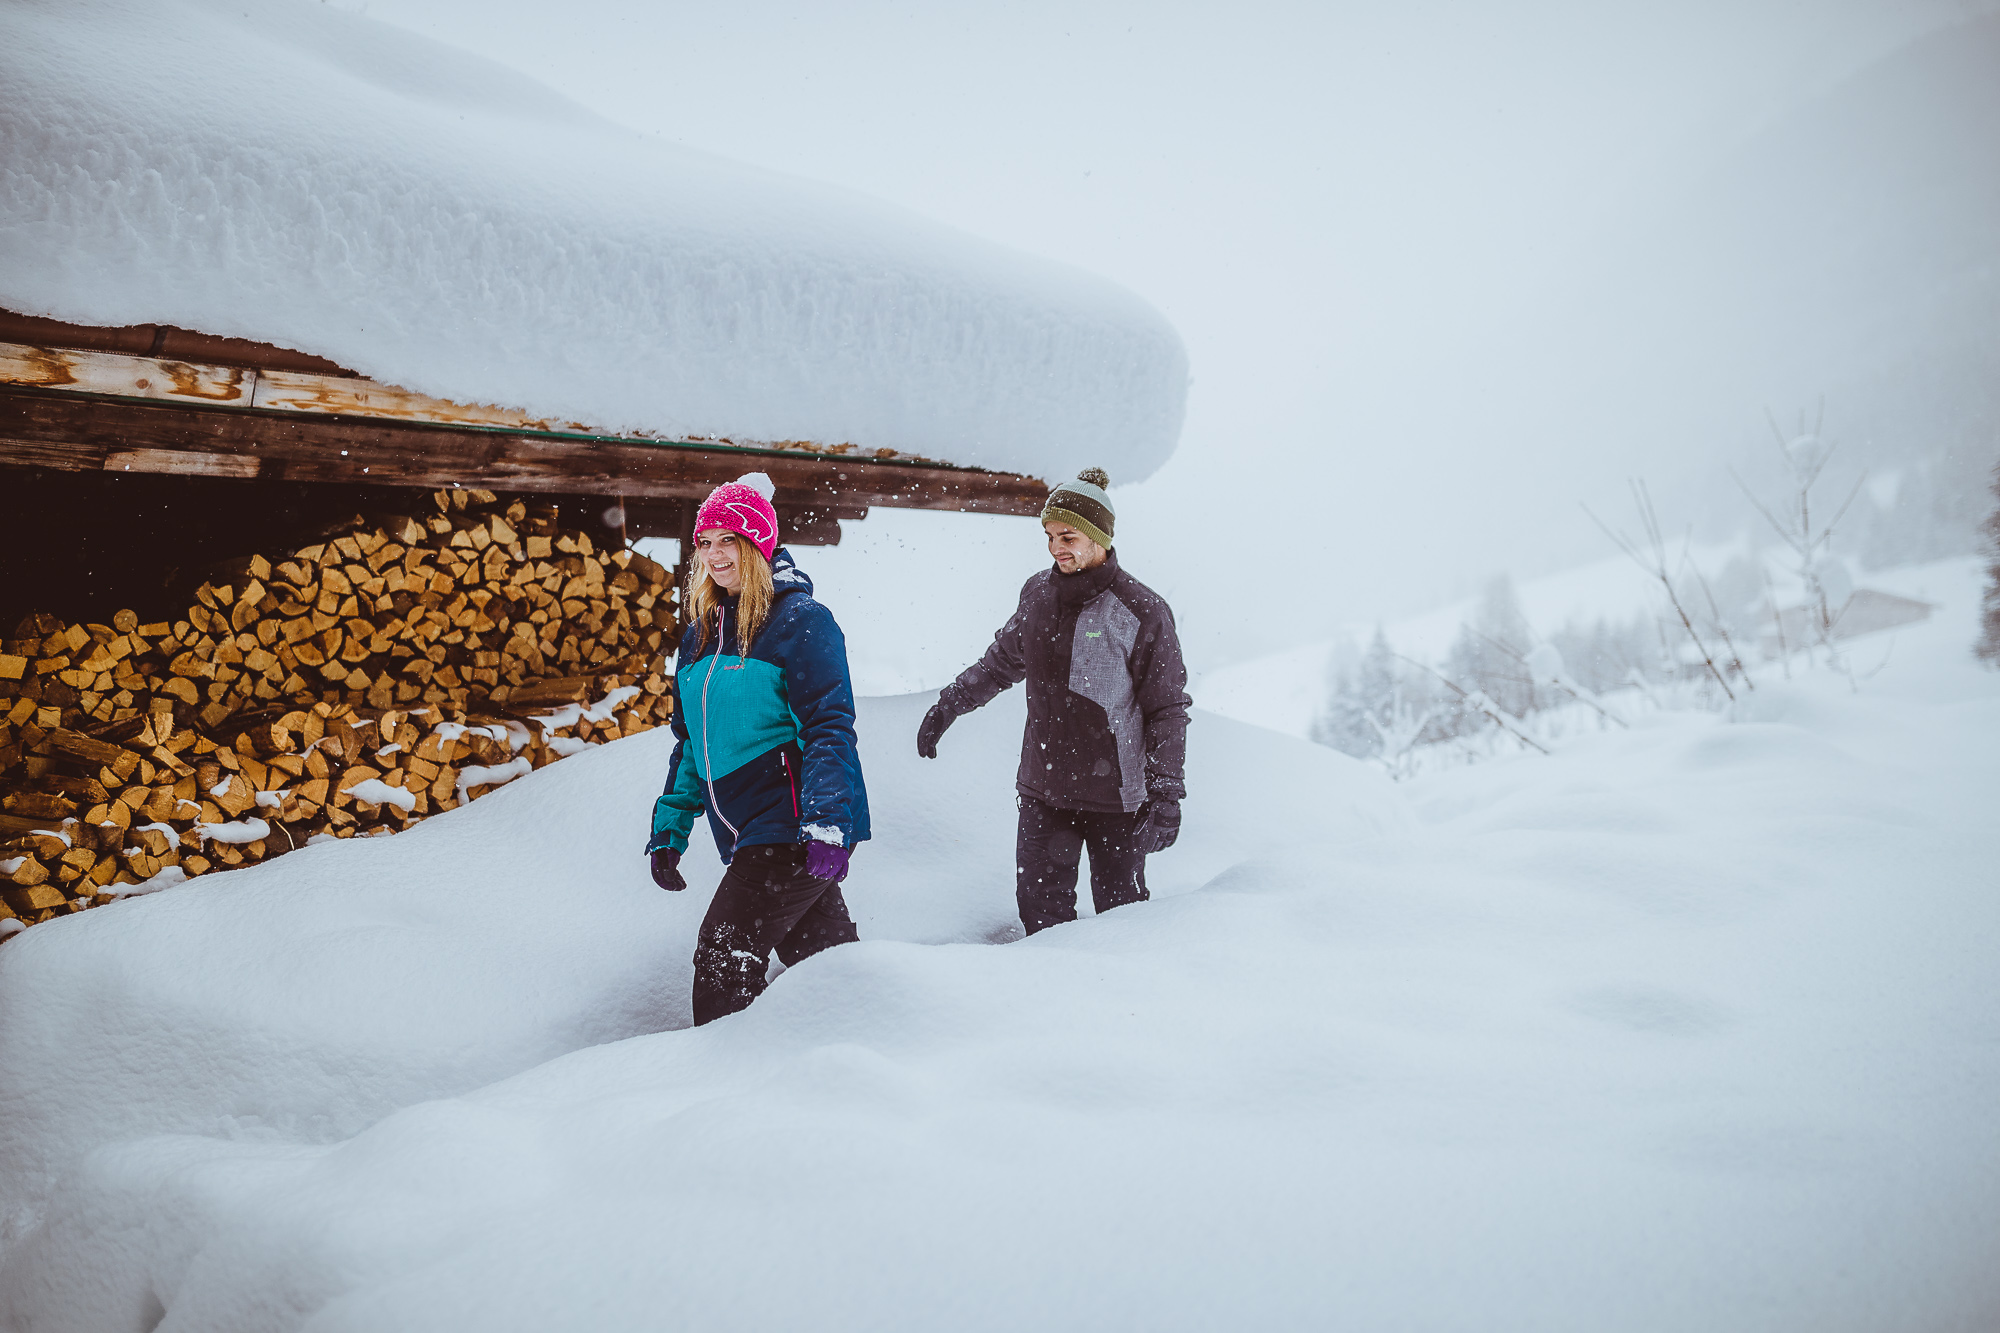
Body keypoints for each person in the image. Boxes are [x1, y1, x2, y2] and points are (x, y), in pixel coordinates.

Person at [917, 467, 1189, 935]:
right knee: (1040, 918)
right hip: (1045, 790)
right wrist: (950, 704)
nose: (1055, 547)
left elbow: (1166, 708)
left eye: (1067, 536)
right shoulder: (1038, 594)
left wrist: (1165, 792)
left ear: (1099, 536)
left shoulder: (1143, 611)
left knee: (1122, 924)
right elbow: (1002, 661)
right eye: (1048, 535)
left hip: (1118, 801)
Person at [646, 474, 870, 1025]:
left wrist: (827, 825)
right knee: (828, 972)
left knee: (725, 954)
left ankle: (725, 1088)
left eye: (730, 539)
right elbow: (691, 743)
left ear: (758, 544)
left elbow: (829, 727)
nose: (716, 554)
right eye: (706, 541)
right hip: (749, 832)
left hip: (791, 829)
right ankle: (864, 1056)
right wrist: (670, 829)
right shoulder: (698, 635)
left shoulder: (800, 622)